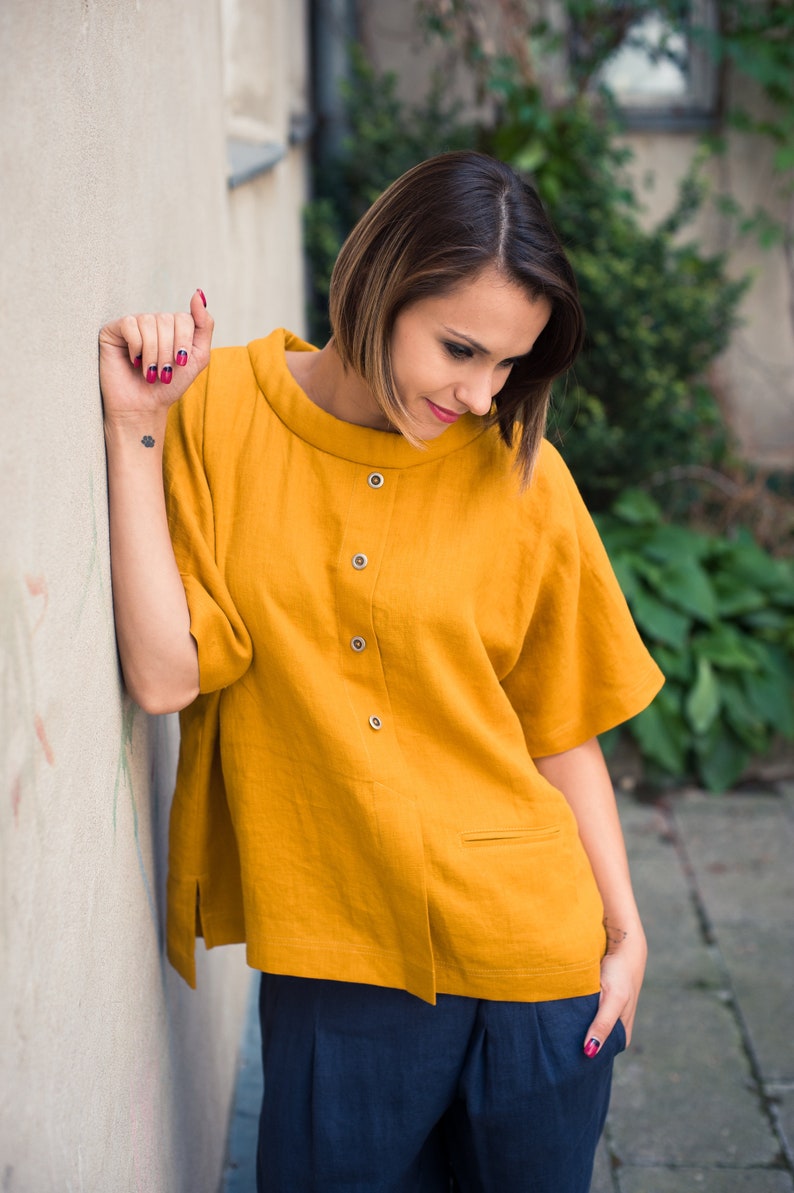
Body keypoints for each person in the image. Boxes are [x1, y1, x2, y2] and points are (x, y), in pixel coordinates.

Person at [99, 150, 663, 1193]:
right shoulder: (219, 413)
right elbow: (168, 673)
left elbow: (559, 730)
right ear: (375, 281)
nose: (479, 391)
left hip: (539, 960)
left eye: (508, 364)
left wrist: (625, 932)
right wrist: (139, 427)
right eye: (458, 347)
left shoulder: (518, 470)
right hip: (337, 954)